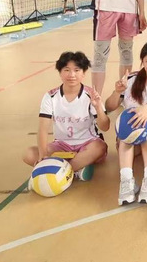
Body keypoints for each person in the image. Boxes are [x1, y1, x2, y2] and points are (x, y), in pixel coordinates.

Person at [23, 51, 109, 183]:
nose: (72, 75)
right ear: (60, 72)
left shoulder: (90, 95)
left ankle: (61, 172)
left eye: (77, 70)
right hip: (61, 145)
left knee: (100, 148)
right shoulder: (51, 96)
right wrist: (43, 156)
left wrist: (98, 107)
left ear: (83, 73)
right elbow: (43, 129)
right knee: (29, 154)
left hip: (87, 143)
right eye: (67, 70)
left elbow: (105, 126)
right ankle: (76, 170)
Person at [105, 41, 147, 205]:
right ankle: (127, 182)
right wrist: (117, 92)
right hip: (128, 134)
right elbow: (109, 106)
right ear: (142, 61)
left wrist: (146, 108)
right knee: (130, 132)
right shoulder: (130, 79)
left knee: (143, 129)